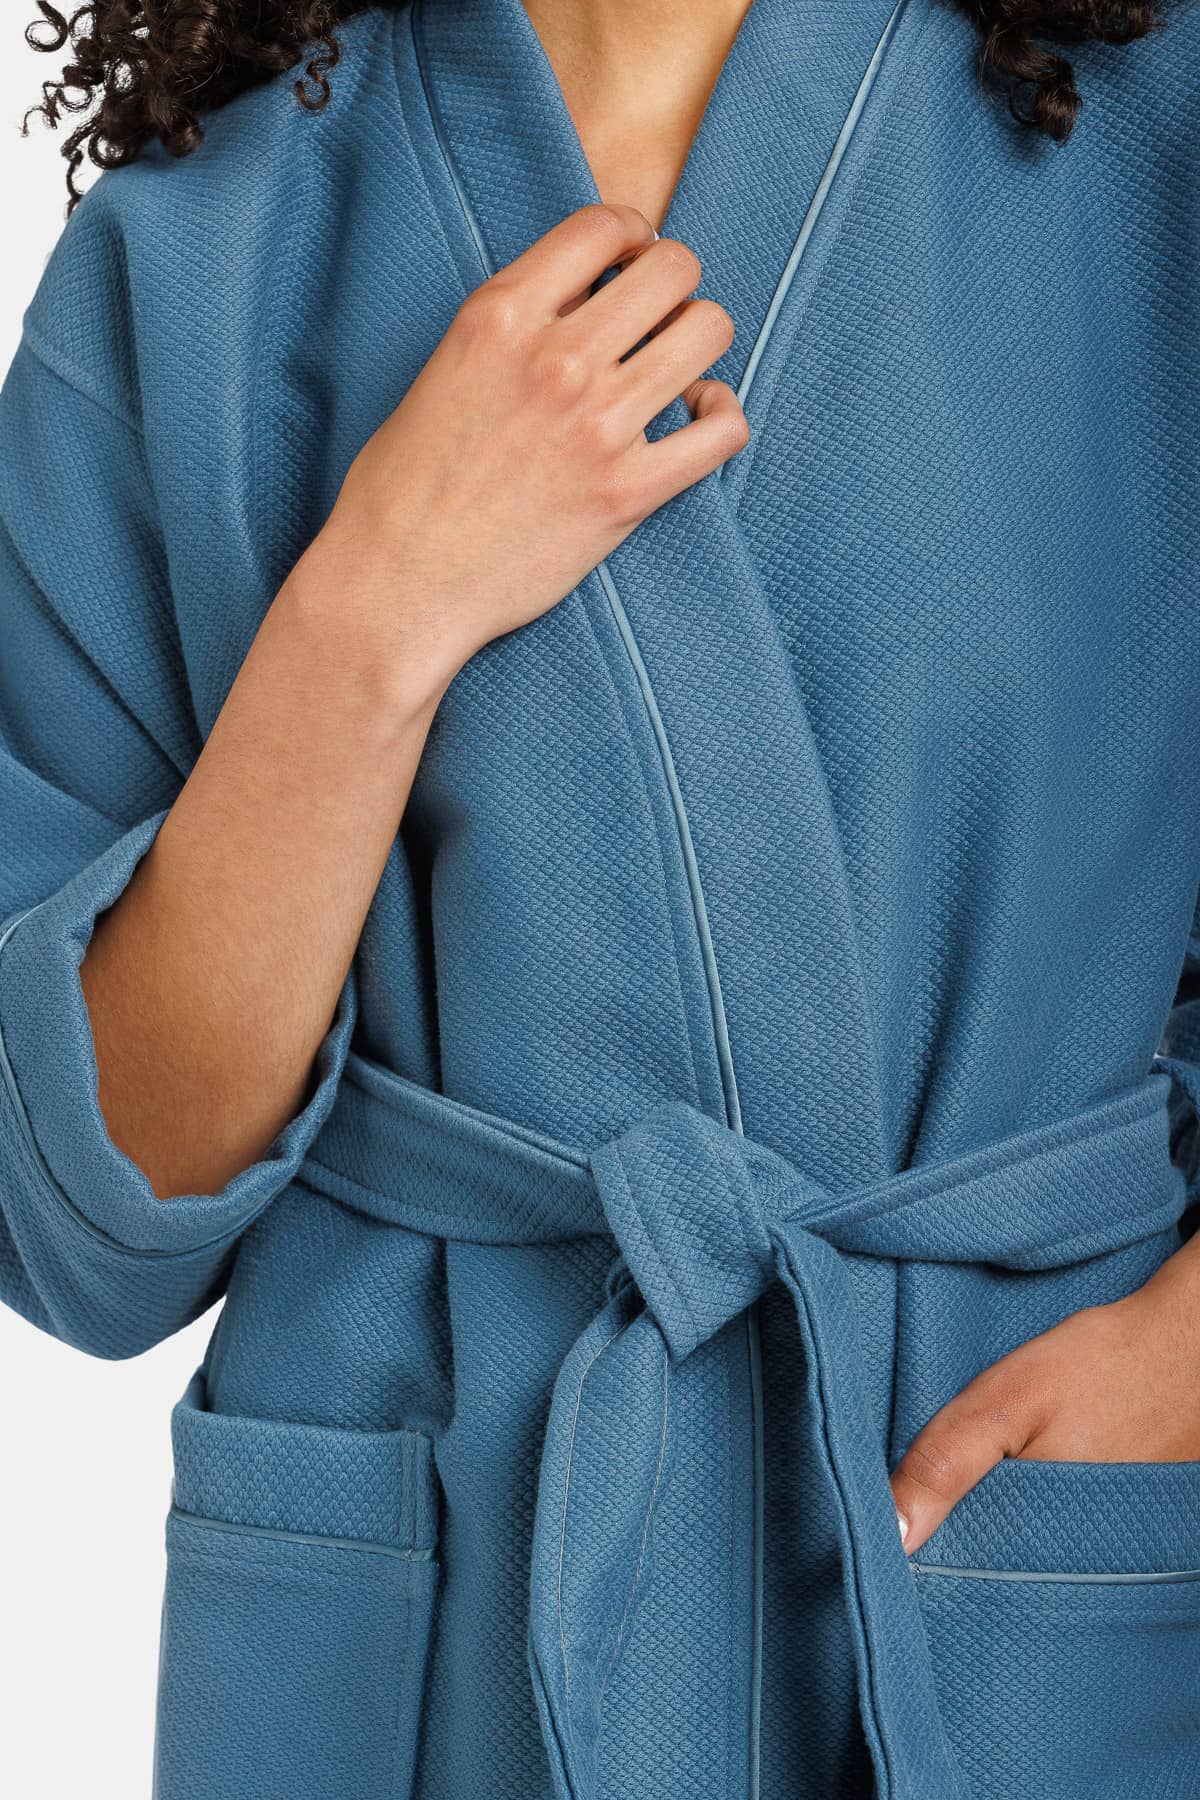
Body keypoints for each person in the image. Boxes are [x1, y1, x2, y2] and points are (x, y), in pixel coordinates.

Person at [2, 0, 1198, 1793]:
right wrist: (377, 599)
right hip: (428, 1602)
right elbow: (87, 1213)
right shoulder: (194, 247)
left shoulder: (1160, 139)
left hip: (1002, 1536)